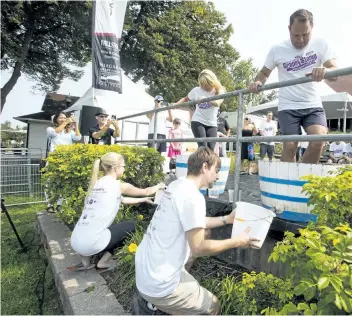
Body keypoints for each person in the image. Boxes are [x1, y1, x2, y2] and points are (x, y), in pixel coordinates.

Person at [134, 147, 259, 315]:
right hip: (159, 285)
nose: (217, 176)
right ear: (204, 167)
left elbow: (195, 222)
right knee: (214, 306)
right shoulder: (194, 197)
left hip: (145, 274)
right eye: (216, 170)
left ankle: (161, 304)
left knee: (201, 236)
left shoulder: (176, 185)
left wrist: (226, 219)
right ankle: (162, 304)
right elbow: (199, 248)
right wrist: (237, 241)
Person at [248, 9, 337, 164]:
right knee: (290, 145)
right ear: (289, 29)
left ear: (312, 29)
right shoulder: (277, 49)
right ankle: (285, 183)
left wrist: (325, 71)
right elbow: (263, 73)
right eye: (296, 35)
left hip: (312, 104)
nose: (301, 40)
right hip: (288, 105)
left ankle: (301, 180)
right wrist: (257, 82)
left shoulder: (321, 44)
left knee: (319, 140)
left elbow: (335, 72)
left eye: (305, 34)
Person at [69, 152, 165, 272]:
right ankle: (103, 262)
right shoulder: (118, 185)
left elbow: (122, 200)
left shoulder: (97, 184)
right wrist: (160, 185)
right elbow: (146, 191)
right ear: (115, 168)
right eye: (123, 166)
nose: (124, 169)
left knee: (90, 225)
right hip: (91, 244)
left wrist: (143, 200)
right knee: (132, 226)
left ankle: (85, 263)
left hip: (76, 241)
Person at [174, 69, 225, 151]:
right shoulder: (196, 90)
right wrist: (176, 104)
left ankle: (207, 163)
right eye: (202, 84)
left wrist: (204, 100)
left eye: (206, 84)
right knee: (203, 147)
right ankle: (201, 163)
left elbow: (217, 103)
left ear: (212, 82)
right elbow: (186, 98)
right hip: (198, 121)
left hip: (212, 123)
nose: (204, 87)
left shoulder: (219, 90)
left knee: (211, 148)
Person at [45, 111, 82, 213]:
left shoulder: (69, 131)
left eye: (65, 117)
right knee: (50, 182)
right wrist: (65, 123)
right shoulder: (51, 129)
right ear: (56, 119)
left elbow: (78, 137)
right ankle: (50, 204)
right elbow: (54, 133)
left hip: (66, 160)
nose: (63, 119)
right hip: (54, 159)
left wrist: (76, 125)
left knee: (63, 182)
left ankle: (60, 204)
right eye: (61, 118)